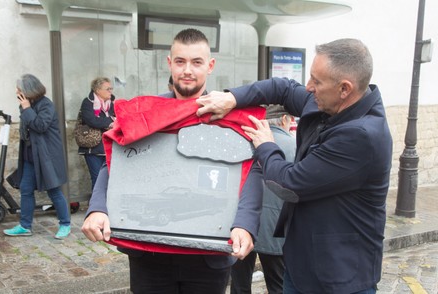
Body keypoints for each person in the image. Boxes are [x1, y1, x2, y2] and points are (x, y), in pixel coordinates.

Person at [196, 38, 393, 293]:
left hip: (338, 279)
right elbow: (284, 88)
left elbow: (289, 184)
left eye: (316, 81)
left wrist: (266, 145)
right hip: (302, 267)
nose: (308, 87)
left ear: (345, 89)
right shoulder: (333, 102)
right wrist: (232, 98)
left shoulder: (362, 136)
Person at [81, 28, 262, 294]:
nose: (187, 70)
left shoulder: (229, 117)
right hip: (149, 258)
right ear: (170, 63)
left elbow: (250, 172)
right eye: (180, 61)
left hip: (208, 258)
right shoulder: (144, 114)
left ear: (210, 66)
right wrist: (97, 207)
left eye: (196, 62)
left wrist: (245, 224)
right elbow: (116, 165)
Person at [230, 105, 296, 294]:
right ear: (285, 119)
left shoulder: (244, 141)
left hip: (241, 225)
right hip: (277, 228)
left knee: (239, 285)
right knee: (278, 284)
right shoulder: (295, 145)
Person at [3, 74, 71, 239]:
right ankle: (25, 226)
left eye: (19, 89)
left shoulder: (46, 105)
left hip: (46, 157)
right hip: (30, 156)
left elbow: (40, 126)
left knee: (54, 190)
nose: (16, 91)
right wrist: (25, 107)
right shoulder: (26, 104)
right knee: (26, 190)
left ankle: (65, 224)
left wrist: (26, 108)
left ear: (29, 90)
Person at [77, 77, 116, 191]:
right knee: (97, 179)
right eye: (108, 89)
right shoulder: (88, 102)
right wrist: (110, 122)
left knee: (109, 180)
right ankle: (97, 207)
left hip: (108, 147)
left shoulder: (111, 103)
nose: (111, 91)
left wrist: (109, 122)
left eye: (111, 88)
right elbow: (91, 120)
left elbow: (117, 119)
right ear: (98, 90)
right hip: (93, 148)